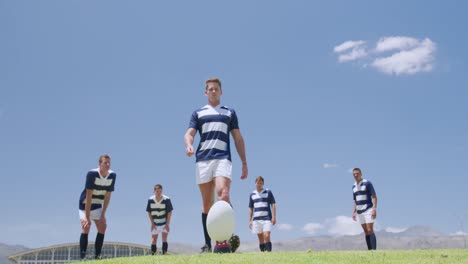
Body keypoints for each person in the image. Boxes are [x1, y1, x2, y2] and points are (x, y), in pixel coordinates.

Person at [184, 77, 248, 253]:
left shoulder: (229, 112)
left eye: (216, 89)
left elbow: (238, 138)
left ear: (221, 91)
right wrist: (189, 144)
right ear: (205, 92)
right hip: (203, 160)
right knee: (207, 204)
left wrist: (244, 161)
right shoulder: (198, 113)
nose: (213, 91)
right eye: (210, 89)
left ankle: (225, 240)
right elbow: (189, 134)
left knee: (224, 194)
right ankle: (207, 244)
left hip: (222, 158)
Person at [78, 154, 116, 260]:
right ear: (99, 164)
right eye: (105, 163)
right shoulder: (92, 174)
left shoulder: (112, 175)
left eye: (109, 163)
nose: (108, 165)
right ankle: (82, 257)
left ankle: (97, 256)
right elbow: (89, 196)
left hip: (97, 205)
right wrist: (86, 216)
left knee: (103, 226)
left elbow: (107, 196)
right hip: (85, 204)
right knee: (86, 227)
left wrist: (103, 215)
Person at [351, 168, 378, 250]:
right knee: (366, 232)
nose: (356, 175)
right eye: (354, 174)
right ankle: (370, 251)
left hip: (368, 209)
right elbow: (355, 200)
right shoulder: (353, 186)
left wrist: (374, 209)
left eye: (357, 173)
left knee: (370, 230)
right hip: (359, 211)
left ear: (361, 174)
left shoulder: (367, 183)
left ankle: (374, 251)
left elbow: (374, 197)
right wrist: (354, 212)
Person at [248, 176, 276, 252]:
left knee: (266, 235)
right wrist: (250, 220)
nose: (259, 184)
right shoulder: (252, 194)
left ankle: (269, 254)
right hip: (256, 219)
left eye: (261, 183)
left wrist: (274, 217)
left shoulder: (268, 192)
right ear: (255, 183)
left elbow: (273, 204)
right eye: (258, 183)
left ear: (263, 184)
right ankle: (263, 254)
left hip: (266, 218)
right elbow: (250, 208)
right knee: (260, 238)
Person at [146, 184, 173, 255]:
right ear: (154, 191)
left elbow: (170, 212)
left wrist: (167, 224)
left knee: (164, 239)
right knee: (154, 239)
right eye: (157, 191)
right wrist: (152, 223)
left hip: (164, 223)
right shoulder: (150, 200)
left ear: (162, 191)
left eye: (160, 191)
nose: (159, 193)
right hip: (155, 224)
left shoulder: (167, 199)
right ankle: (153, 255)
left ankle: (164, 254)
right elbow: (149, 212)